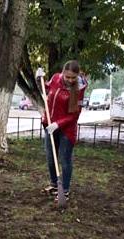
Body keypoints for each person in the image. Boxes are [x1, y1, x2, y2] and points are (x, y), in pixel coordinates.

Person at [37, 61, 88, 202]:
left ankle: (64, 190)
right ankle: (54, 185)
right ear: (63, 73)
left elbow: (74, 116)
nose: (71, 80)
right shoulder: (55, 78)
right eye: (68, 77)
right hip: (50, 125)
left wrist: (58, 124)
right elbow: (45, 89)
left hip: (67, 129)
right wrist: (38, 79)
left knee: (65, 160)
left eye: (73, 77)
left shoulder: (80, 89)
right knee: (50, 158)